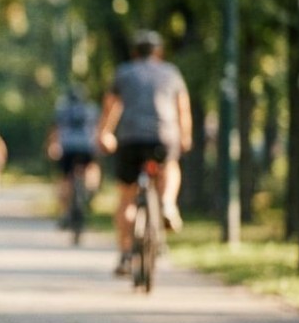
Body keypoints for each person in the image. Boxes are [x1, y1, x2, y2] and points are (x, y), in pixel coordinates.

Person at [95, 30, 192, 276]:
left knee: (126, 198)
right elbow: (182, 107)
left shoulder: (124, 72)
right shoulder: (171, 72)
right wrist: (185, 137)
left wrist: (105, 133)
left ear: (134, 52)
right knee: (170, 165)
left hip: (130, 139)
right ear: (159, 52)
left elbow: (111, 107)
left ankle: (125, 255)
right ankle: (168, 203)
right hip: (164, 135)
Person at [47, 86, 100, 225]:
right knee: (92, 167)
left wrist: (53, 145)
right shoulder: (92, 109)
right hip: (87, 146)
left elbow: (55, 129)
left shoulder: (62, 109)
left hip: (67, 147)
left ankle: (64, 212)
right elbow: (97, 128)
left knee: (65, 178)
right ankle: (90, 191)